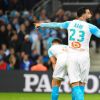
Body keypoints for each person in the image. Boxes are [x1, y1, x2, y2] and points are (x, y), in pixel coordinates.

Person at [35, 7, 100, 100]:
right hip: (84, 56)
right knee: (82, 84)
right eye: (88, 13)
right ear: (83, 14)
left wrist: (42, 24)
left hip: (72, 55)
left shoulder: (69, 23)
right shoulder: (91, 27)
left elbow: (55, 25)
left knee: (75, 83)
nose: (90, 15)